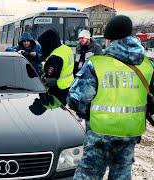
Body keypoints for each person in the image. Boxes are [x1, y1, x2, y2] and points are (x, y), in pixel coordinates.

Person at [67, 15, 154, 179]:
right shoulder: (148, 65)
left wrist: (85, 112)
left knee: (88, 174)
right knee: (121, 173)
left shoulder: (97, 64)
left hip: (100, 132)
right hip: (131, 131)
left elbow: (76, 99)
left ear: (109, 40)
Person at [38, 29, 74, 105]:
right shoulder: (66, 49)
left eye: (43, 44)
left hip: (58, 90)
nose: (42, 47)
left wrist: (40, 83)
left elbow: (51, 80)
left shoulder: (55, 57)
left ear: (48, 43)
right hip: (69, 85)